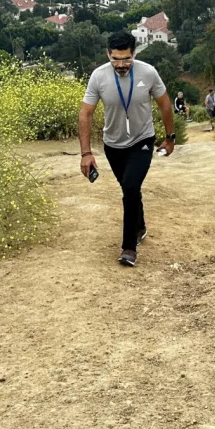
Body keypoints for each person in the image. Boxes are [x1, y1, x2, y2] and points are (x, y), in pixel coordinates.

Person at [79, 31, 177, 268]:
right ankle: (140, 225)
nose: (121, 65)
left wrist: (170, 137)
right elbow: (86, 113)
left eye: (126, 59)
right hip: (113, 145)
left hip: (142, 140)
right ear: (107, 54)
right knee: (130, 189)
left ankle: (128, 247)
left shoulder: (148, 72)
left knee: (131, 188)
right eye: (115, 59)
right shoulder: (98, 76)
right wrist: (86, 153)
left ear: (134, 54)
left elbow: (164, 104)